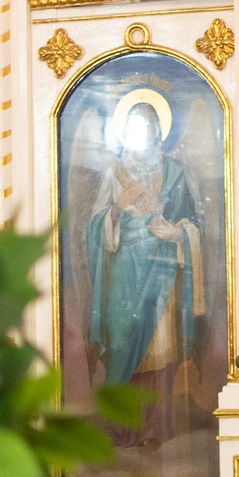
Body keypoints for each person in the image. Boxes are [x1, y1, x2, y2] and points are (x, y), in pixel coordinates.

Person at [86, 94, 207, 446]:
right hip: (125, 274)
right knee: (123, 341)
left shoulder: (175, 172)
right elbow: (93, 229)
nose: (144, 134)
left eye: (150, 127)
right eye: (136, 128)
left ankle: (157, 429)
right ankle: (123, 430)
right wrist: (116, 211)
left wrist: (178, 233)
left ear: (158, 132)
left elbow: (191, 220)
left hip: (162, 270)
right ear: (124, 132)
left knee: (160, 350)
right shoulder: (114, 174)